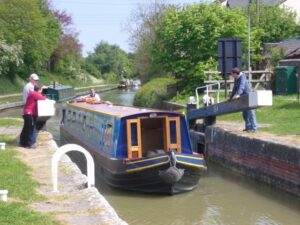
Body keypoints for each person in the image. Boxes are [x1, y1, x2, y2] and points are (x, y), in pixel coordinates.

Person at [229, 67, 257, 132]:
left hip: (250, 96)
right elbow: (234, 89)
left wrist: (238, 94)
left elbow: (242, 86)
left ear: (236, 73)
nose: (232, 76)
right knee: (245, 113)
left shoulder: (243, 77)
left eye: (232, 74)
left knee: (251, 113)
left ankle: (254, 128)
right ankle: (248, 127)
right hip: (243, 97)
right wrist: (230, 98)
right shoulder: (236, 79)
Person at [19, 84, 46, 148]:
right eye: (41, 90)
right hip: (30, 114)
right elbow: (43, 99)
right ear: (39, 90)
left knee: (26, 129)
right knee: (30, 129)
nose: (42, 91)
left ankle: (22, 142)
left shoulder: (32, 93)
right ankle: (28, 144)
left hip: (27, 113)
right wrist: (44, 94)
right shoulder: (35, 94)